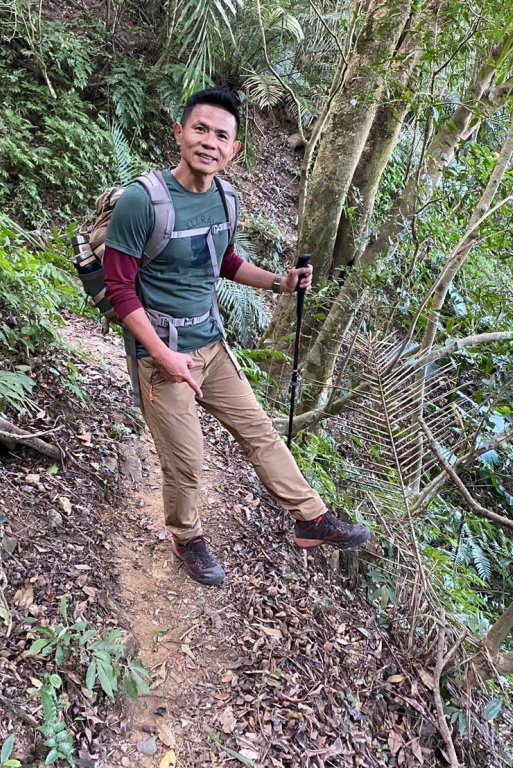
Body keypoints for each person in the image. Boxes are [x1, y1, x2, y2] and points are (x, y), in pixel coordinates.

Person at [103, 87, 371, 586]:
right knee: (186, 460)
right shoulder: (144, 201)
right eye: (200, 129)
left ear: (235, 149)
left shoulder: (227, 199)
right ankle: (188, 538)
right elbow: (119, 288)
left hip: (211, 344)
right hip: (162, 355)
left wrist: (279, 283)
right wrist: (163, 355)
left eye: (221, 136)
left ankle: (311, 518)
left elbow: (224, 261)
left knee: (259, 433)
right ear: (179, 133)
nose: (210, 142)